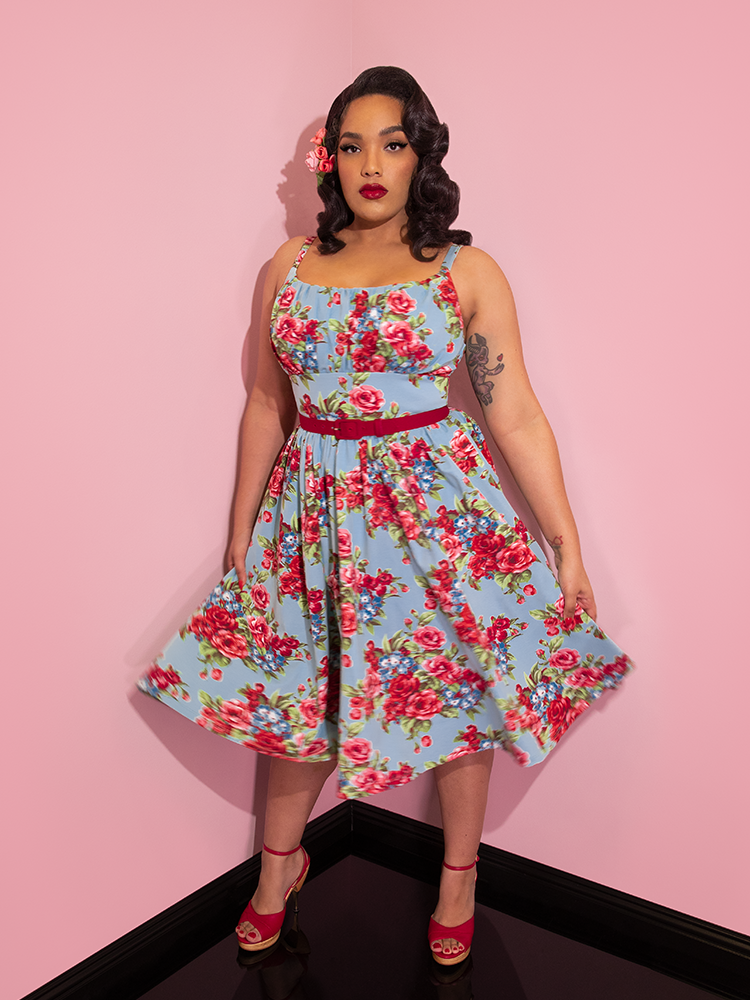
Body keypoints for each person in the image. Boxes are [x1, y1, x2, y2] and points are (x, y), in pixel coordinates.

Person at [138, 66, 632, 967]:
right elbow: (266, 404)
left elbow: (516, 413)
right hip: (313, 512)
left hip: (438, 515)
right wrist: (242, 529)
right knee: (305, 693)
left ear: (420, 157)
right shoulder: (290, 267)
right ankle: (280, 869)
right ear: (330, 160)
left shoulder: (466, 271)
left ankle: (459, 877)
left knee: (461, 691)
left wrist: (566, 543)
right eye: (353, 145)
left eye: (393, 145)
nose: (372, 165)